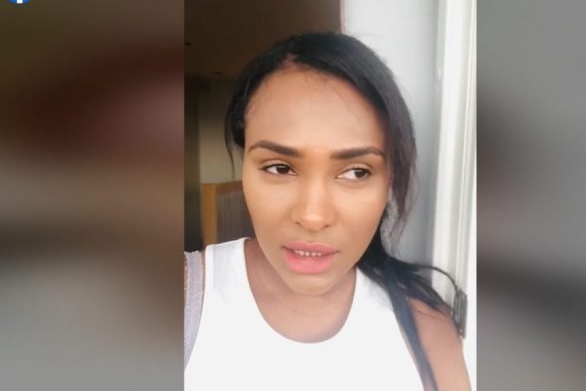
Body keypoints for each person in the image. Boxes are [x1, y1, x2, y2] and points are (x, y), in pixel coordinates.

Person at [184, 32, 470, 391]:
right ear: (245, 165)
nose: (312, 217)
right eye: (280, 168)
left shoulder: (427, 327)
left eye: (356, 172)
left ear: (389, 182)